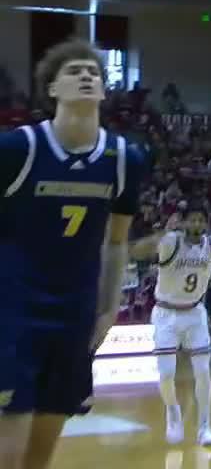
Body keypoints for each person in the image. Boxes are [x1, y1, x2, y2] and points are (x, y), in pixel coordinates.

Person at [0, 39, 145, 469]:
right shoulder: (16, 149)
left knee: (40, 452)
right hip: (13, 308)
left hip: (75, 311)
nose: (86, 76)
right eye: (74, 71)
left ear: (103, 91)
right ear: (51, 88)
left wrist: (108, 308)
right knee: (10, 444)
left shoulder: (125, 159)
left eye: (94, 73)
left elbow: (116, 241)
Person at [130, 206, 211, 445]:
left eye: (200, 220)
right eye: (192, 220)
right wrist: (161, 233)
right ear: (184, 224)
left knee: (204, 372)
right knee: (166, 376)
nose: (197, 225)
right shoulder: (171, 241)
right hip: (165, 313)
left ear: (205, 224)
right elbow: (136, 251)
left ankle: (205, 427)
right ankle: (173, 411)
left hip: (194, 313)